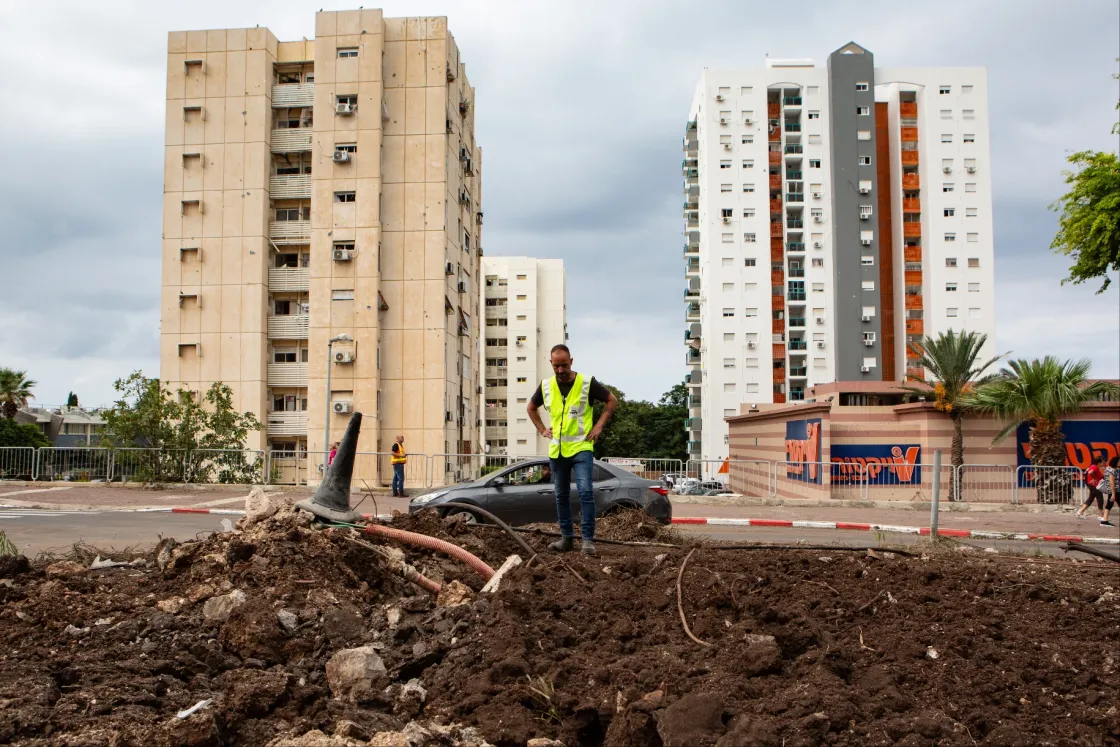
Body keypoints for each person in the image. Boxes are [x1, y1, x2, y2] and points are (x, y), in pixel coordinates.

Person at [526, 344, 618, 556]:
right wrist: (542, 429)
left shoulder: (586, 383)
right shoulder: (546, 386)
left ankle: (587, 540)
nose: (560, 370)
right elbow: (531, 408)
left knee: (585, 491)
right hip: (558, 450)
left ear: (571, 362)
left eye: (564, 365)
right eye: (556, 366)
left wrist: (599, 426)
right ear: (551, 363)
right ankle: (566, 538)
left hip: (581, 448)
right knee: (561, 495)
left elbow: (611, 401)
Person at [1076, 455, 1106, 519]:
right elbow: (1090, 473)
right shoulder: (1095, 467)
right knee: (1100, 499)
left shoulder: (1093, 466)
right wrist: (1094, 478)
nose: (1104, 463)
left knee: (1090, 499)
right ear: (1099, 463)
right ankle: (1101, 515)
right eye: (1103, 462)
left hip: (1093, 485)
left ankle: (1080, 511)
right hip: (1095, 485)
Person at [1099, 456, 1118, 528]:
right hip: (1115, 490)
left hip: (1112, 490)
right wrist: (1113, 494)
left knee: (1109, 505)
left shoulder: (1108, 469)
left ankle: (1104, 520)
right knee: (1109, 505)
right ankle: (1104, 520)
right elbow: (1111, 482)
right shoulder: (1112, 470)